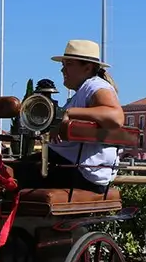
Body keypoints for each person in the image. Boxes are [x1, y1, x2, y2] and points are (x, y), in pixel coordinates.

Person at [9, 39, 124, 193]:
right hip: (77, 169)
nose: (62, 70)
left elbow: (116, 117)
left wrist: (68, 113)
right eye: (63, 65)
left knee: (3, 173)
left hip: (78, 171)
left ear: (88, 68)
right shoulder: (85, 90)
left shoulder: (95, 85)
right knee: (13, 168)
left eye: (68, 64)